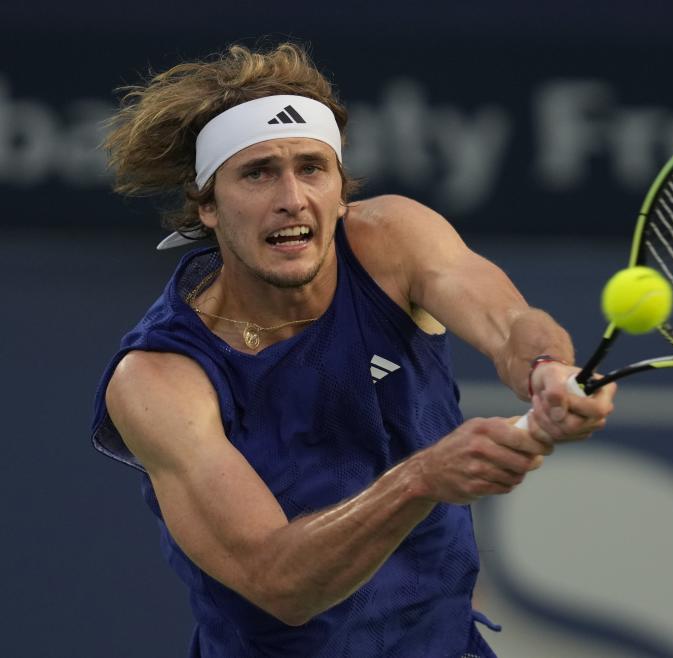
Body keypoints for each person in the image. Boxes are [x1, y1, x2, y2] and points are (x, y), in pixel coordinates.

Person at [91, 42, 616, 658]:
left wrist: (547, 370)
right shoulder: (157, 381)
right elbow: (278, 583)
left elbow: (511, 325)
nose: (292, 197)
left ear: (341, 192)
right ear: (207, 206)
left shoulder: (390, 241)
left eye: (312, 168)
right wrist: (421, 479)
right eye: (257, 173)